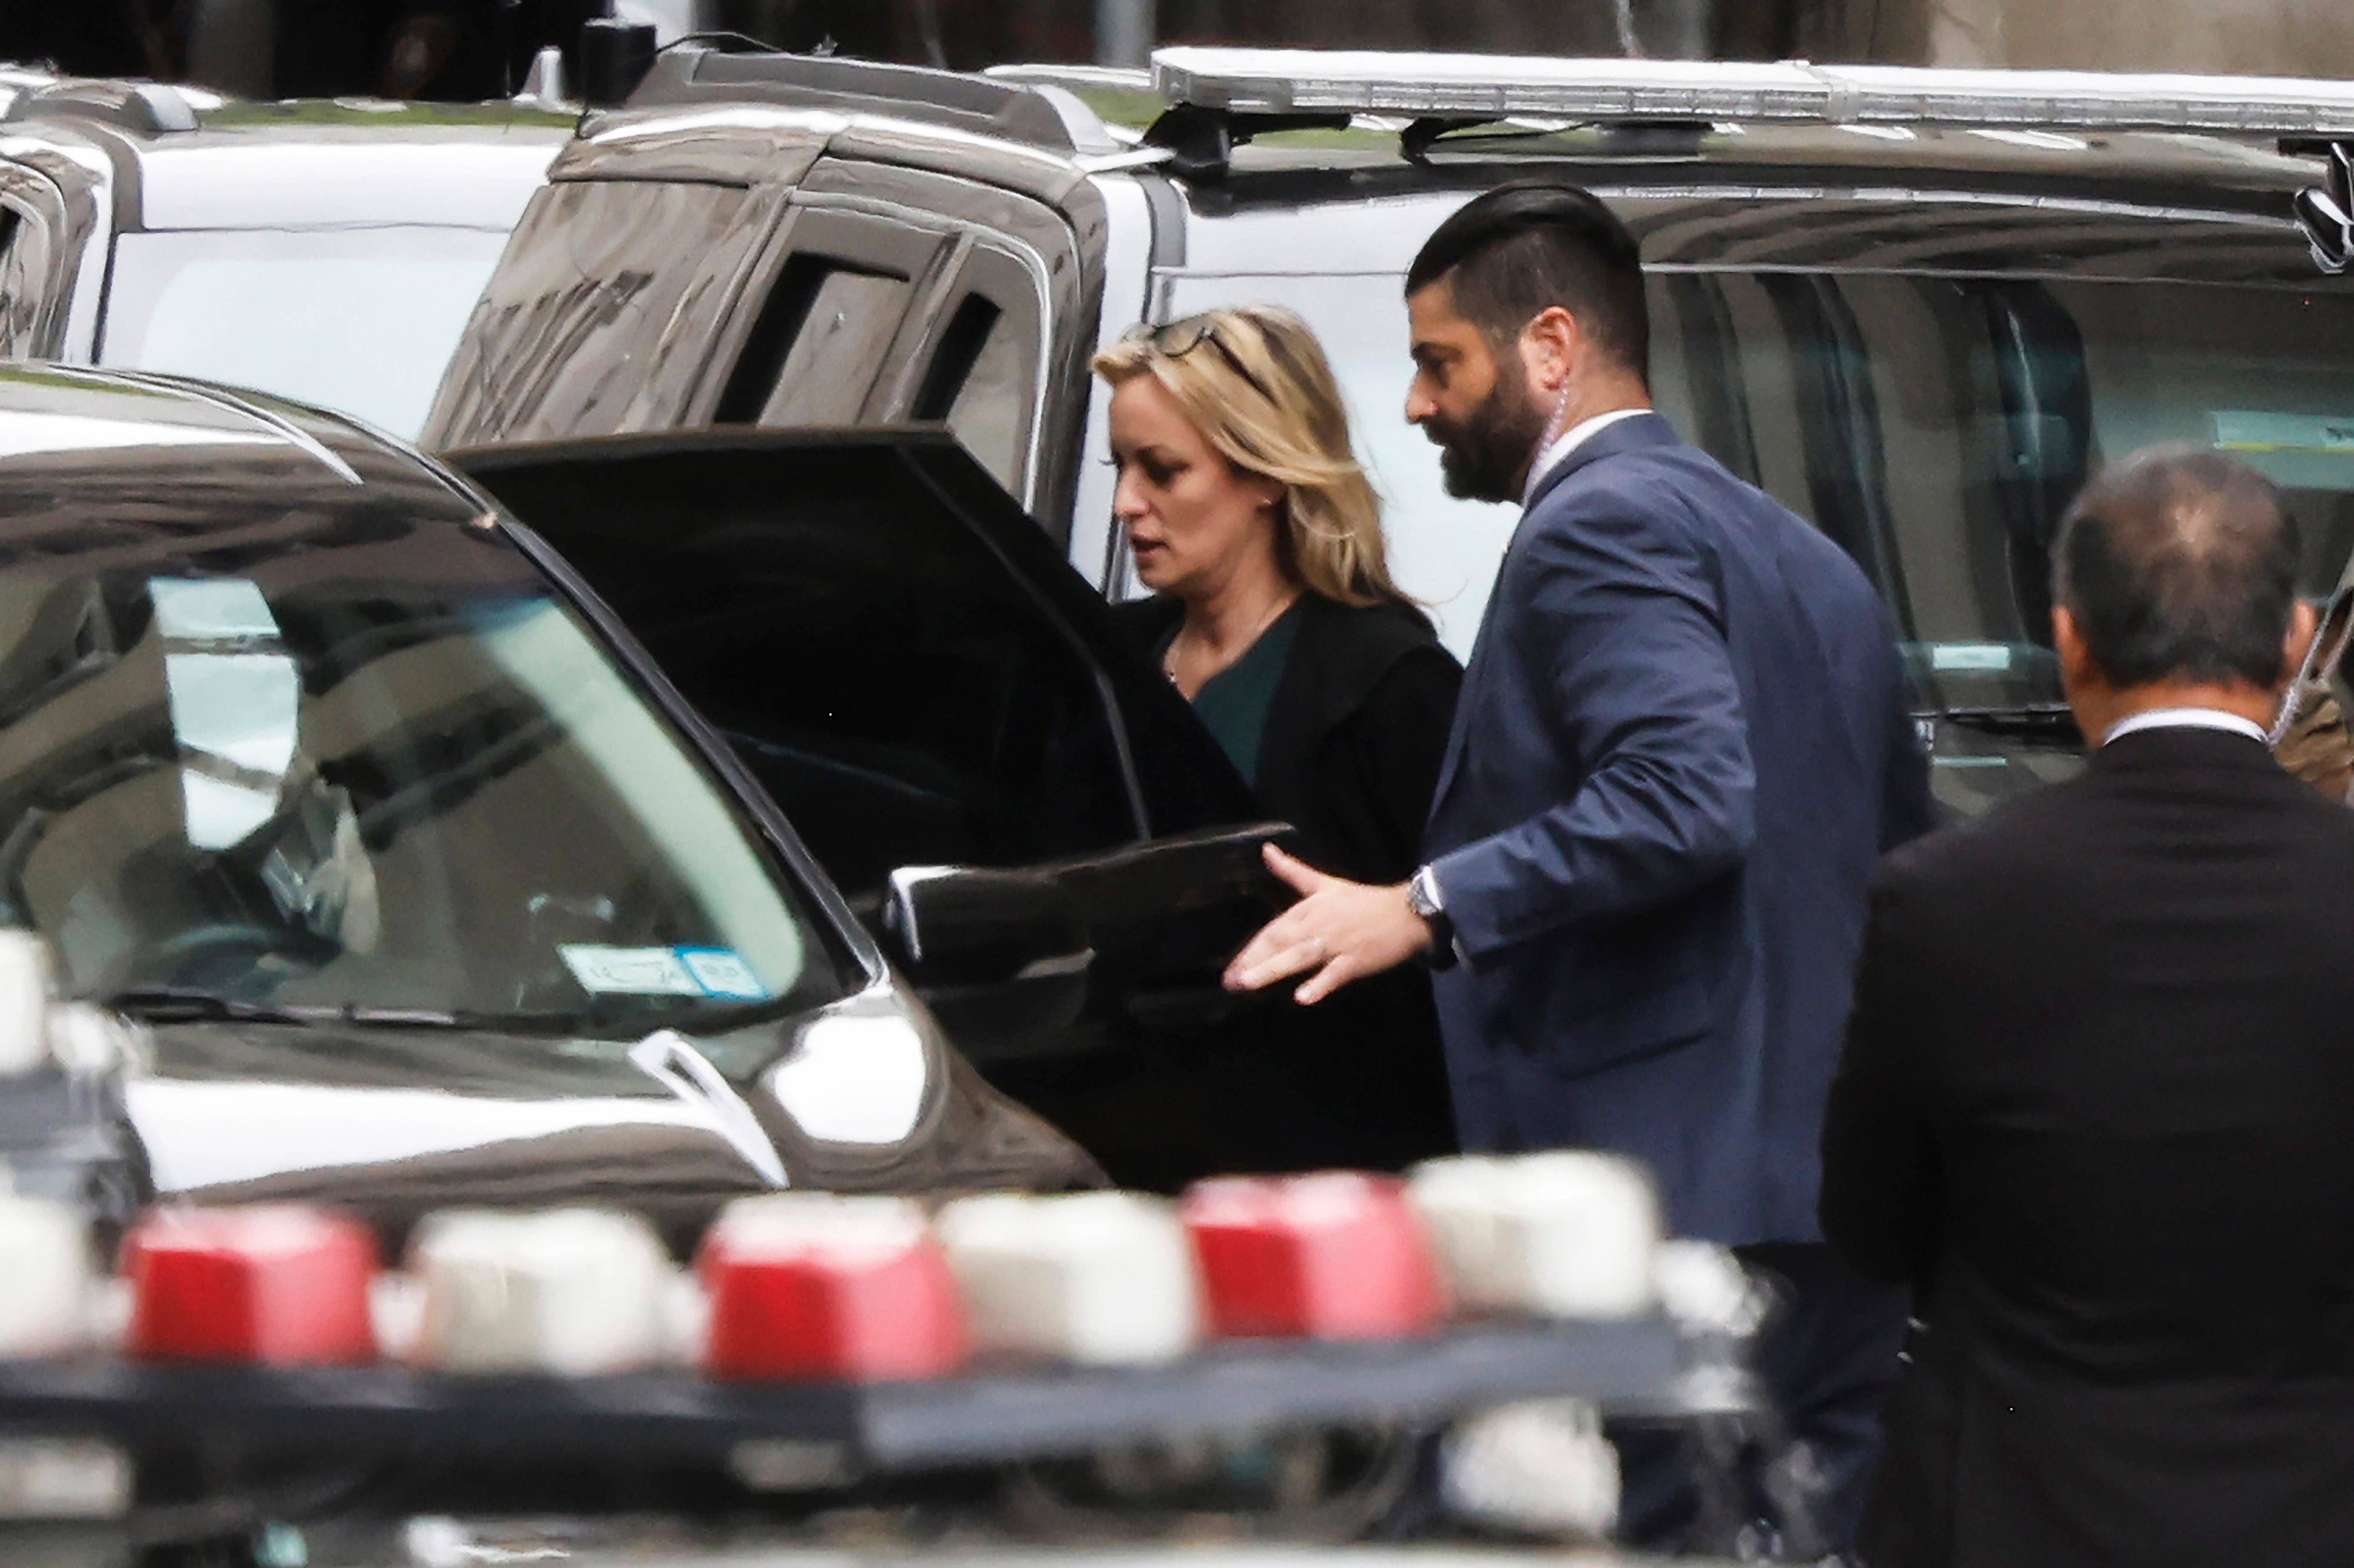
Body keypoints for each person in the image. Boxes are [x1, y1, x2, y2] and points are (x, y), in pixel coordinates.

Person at [1221, 182, 1933, 1550]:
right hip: (1833, 1207)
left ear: (1550, 348)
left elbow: (1681, 795)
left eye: (1440, 363)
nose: (1418, 405)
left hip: (1671, 1210)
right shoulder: (1807, 557)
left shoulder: (1592, 527)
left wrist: (1421, 906)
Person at [1821, 447, 2354, 1568]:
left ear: (2070, 637)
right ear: (2297, 640)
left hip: (2018, 1507)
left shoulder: (1943, 895)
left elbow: (1871, 1225)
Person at [1095, 305, 1463, 1172]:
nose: (1126, 504)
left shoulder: (1388, 682)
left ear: (1265, 473)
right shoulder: (1107, 659)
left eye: (1164, 471)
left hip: (1328, 1184)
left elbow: (1482, 928)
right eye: (1120, 467)